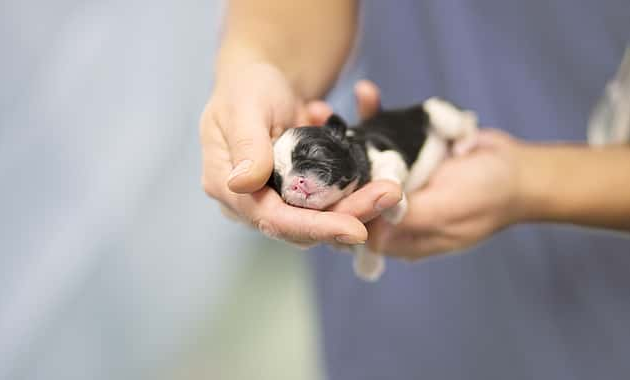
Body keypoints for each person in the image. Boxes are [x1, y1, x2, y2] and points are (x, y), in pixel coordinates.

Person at [201, 1, 630, 378]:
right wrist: (262, 65)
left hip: (596, 298)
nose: (292, 182)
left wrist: (527, 180)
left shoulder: (380, 159)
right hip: (394, 299)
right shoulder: (347, 173)